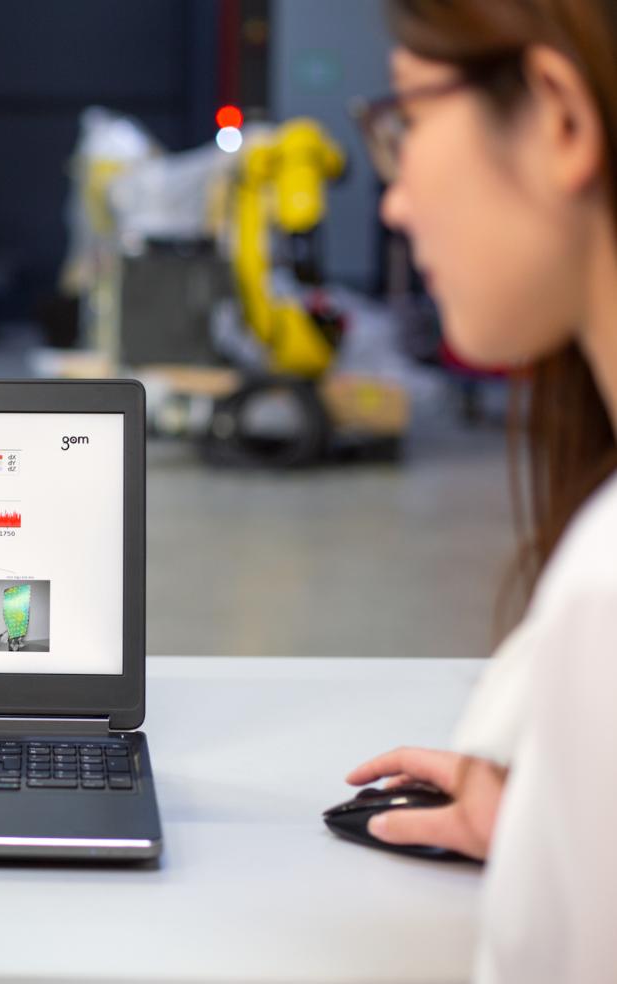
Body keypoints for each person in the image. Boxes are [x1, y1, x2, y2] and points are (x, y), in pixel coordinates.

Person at [344, 0, 617, 979]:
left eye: (408, 122)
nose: (396, 201)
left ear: (560, 120)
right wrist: (559, 803)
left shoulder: (607, 590)